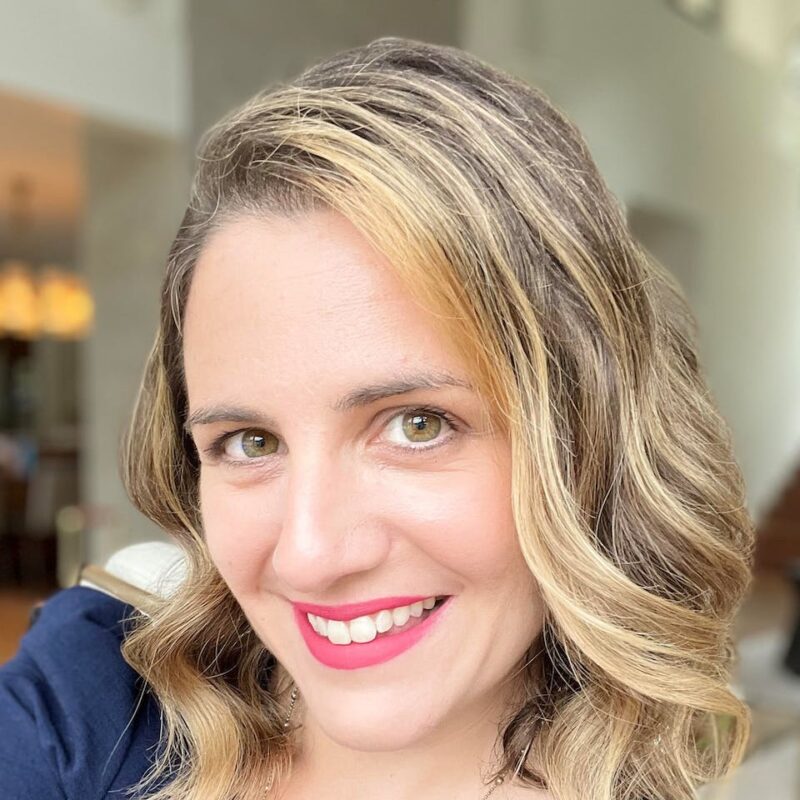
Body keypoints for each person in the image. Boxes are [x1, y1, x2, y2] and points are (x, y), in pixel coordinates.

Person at [0, 37, 754, 800]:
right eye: (249, 442)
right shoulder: (95, 706)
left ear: (589, 435)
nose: (309, 555)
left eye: (417, 424)